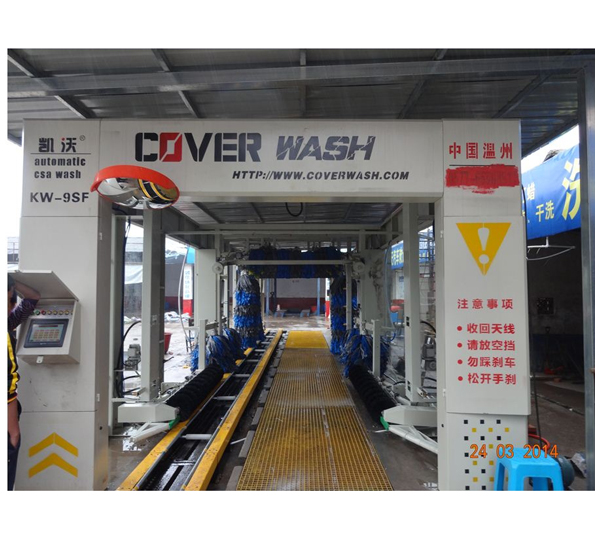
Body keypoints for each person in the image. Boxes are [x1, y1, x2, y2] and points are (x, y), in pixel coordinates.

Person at [7, 274, 40, 491]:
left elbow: (33, 297)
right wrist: (13, 430)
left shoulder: (8, 323)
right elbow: (8, 382)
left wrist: (10, 280)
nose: (12, 305)